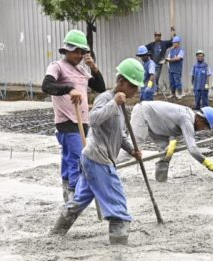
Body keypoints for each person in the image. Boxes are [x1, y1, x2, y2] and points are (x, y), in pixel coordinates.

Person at [50, 58, 145, 245]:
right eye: (133, 86)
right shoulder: (106, 98)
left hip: (92, 159)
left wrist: (132, 150)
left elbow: (120, 134)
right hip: (98, 159)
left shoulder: (121, 103)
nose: (136, 91)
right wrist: (114, 104)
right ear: (122, 82)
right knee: (117, 202)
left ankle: (56, 232)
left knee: (79, 201)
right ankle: (119, 247)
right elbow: (93, 119)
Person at [41, 29, 106, 203]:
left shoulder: (82, 70)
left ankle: (67, 187)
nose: (79, 55)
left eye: (81, 52)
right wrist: (69, 89)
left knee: (70, 155)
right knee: (77, 156)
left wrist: (93, 67)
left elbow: (100, 87)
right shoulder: (57, 66)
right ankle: (74, 192)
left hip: (82, 120)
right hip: (67, 119)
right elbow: (47, 86)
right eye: (75, 51)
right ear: (66, 50)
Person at [130, 101, 213, 182]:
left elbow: (170, 122)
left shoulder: (187, 116)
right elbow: (192, 149)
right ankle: (115, 166)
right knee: (132, 149)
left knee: (166, 152)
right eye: (204, 127)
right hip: (142, 114)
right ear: (201, 120)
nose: (202, 129)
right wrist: (207, 163)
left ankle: (161, 182)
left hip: (155, 122)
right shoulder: (187, 119)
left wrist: (172, 139)